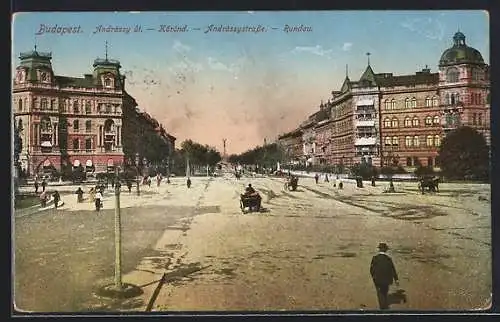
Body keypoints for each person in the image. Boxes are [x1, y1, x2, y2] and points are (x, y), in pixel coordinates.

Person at [370, 242, 399, 310]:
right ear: (386, 250)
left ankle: (382, 307)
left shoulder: (375, 258)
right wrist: (396, 279)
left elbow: (371, 270)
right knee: (385, 292)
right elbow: (393, 270)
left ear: (379, 249)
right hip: (386, 280)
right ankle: (385, 306)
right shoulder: (388, 259)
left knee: (380, 294)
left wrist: (374, 277)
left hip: (378, 280)